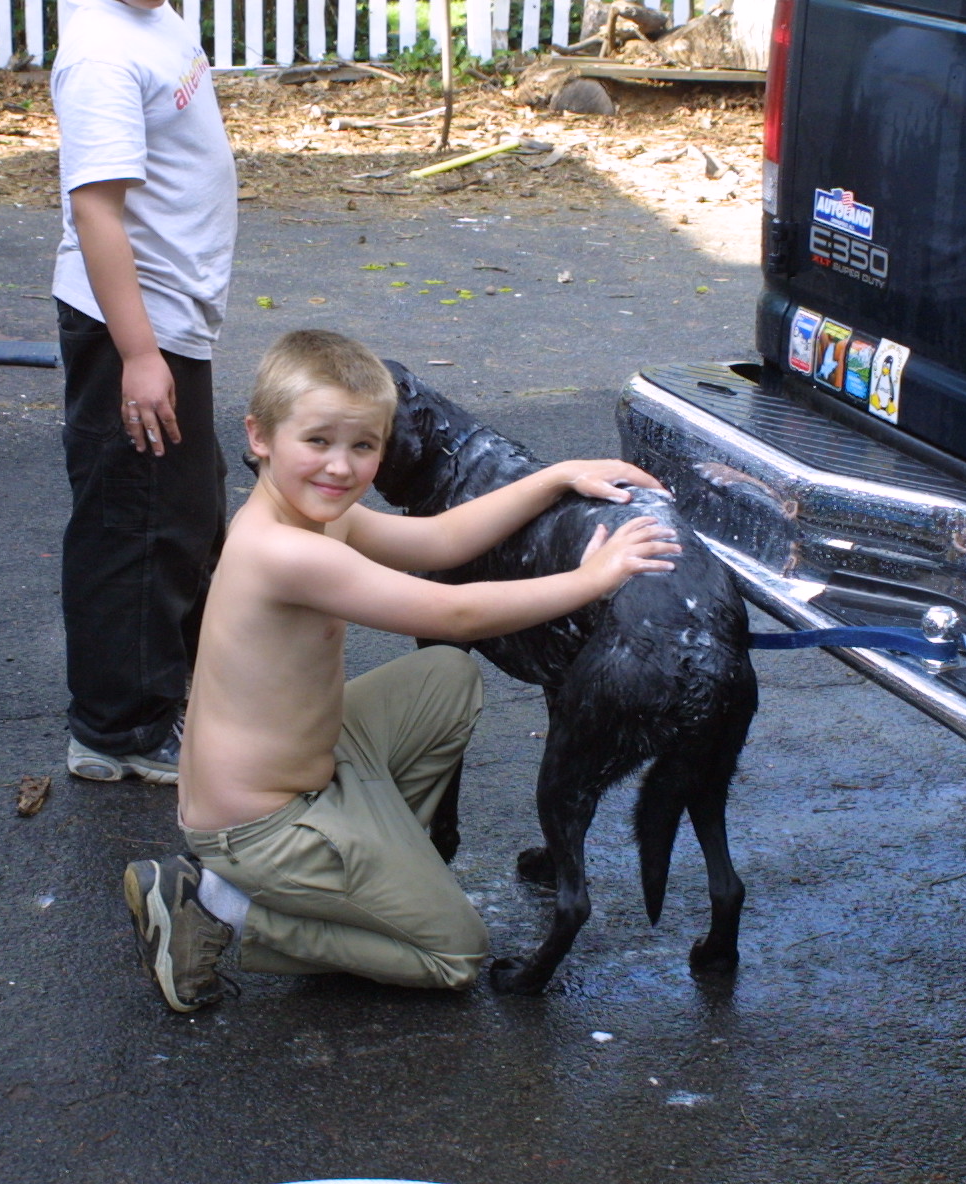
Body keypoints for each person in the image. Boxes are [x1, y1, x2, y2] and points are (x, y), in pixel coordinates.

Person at [121, 330, 683, 1011]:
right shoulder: (284, 552)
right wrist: (593, 579)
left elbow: (441, 539)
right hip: (257, 826)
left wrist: (557, 476)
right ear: (259, 436)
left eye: (363, 446)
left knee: (446, 678)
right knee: (453, 953)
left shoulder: (314, 513)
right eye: (318, 441)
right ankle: (218, 907)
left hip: (312, 765)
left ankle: (366, 880)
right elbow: (456, 614)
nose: (340, 467)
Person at [46, 0, 236, 786]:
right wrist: (139, 355)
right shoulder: (100, 54)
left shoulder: (146, 15)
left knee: (183, 516)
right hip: (136, 326)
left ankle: (161, 694)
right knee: (137, 526)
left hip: (168, 317)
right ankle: (116, 731)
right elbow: (95, 211)